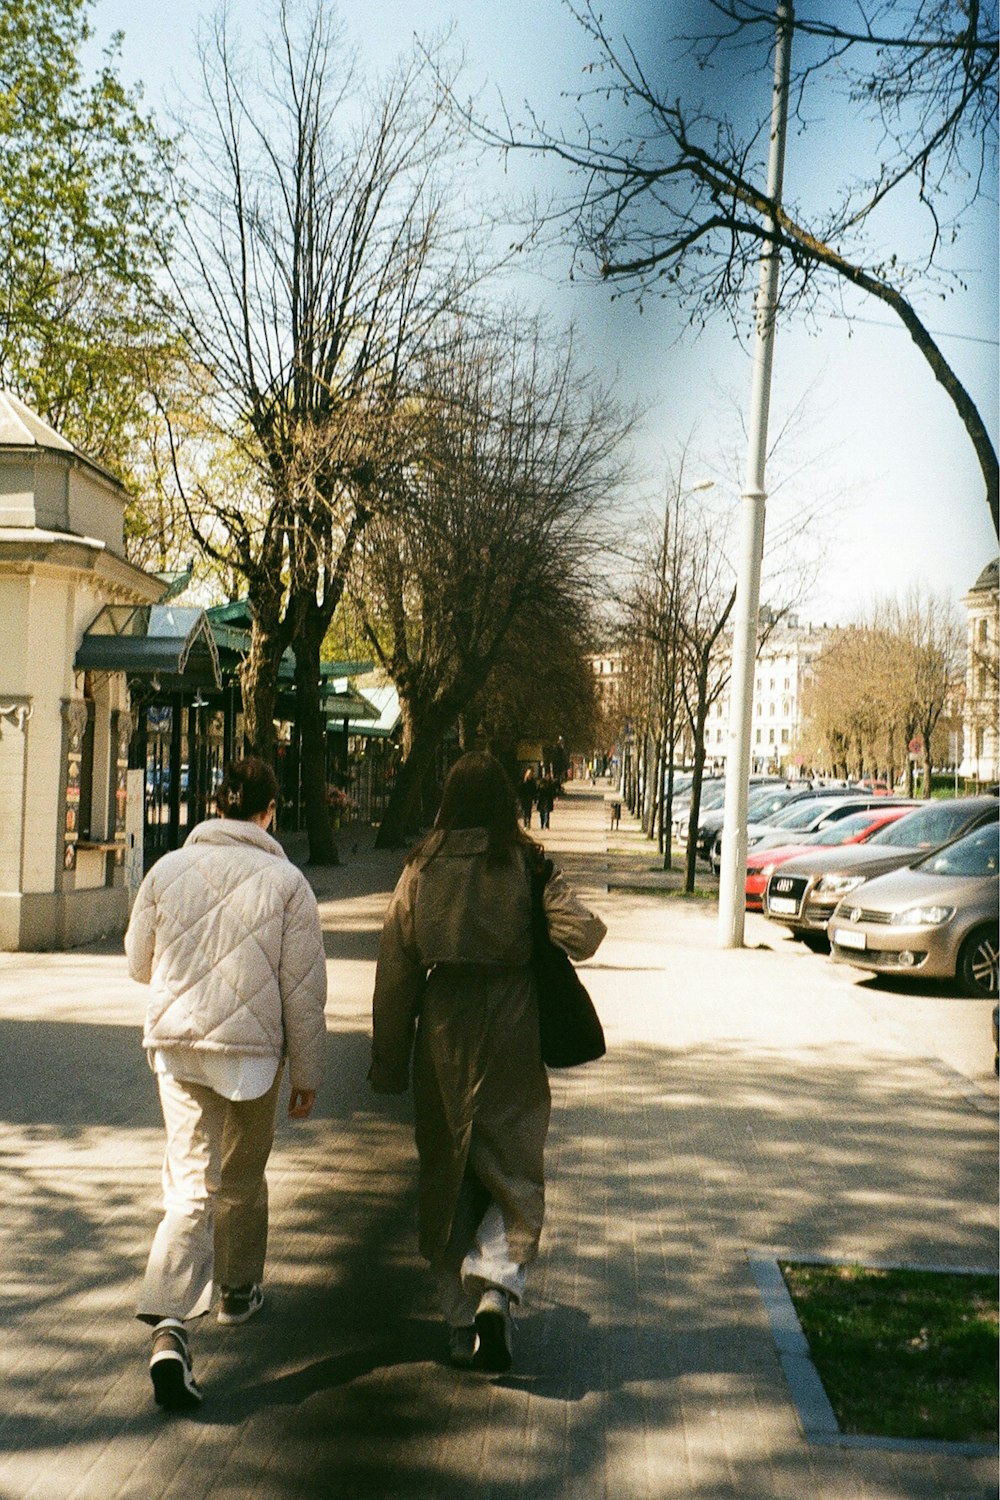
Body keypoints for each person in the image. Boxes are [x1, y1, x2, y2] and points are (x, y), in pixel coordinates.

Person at [369, 752, 606, 1373]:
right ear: (506, 801)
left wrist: (389, 1058)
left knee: (447, 1170)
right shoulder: (524, 863)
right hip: (512, 1025)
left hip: (442, 1029)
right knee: (513, 1163)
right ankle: (496, 1288)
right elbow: (586, 934)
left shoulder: (419, 866)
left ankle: (456, 1321)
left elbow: (395, 968)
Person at [125, 757, 327, 1412]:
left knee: (188, 1184)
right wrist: (309, 1073)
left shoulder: (166, 869)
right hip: (252, 1055)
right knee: (241, 1174)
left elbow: (137, 963)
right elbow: (305, 993)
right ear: (269, 811)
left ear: (216, 805)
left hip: (177, 1046)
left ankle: (171, 1328)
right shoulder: (288, 883)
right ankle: (238, 1292)